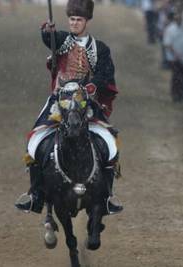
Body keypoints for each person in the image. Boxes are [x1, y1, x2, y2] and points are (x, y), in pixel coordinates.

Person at [15, 0, 123, 215]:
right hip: (59, 101)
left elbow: (105, 75)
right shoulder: (62, 40)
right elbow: (50, 39)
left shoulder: (99, 48)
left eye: (78, 19)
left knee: (110, 144)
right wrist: (47, 31)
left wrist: (92, 86)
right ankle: (36, 195)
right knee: (34, 142)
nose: (74, 23)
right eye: (72, 19)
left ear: (87, 21)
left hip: (87, 102)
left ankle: (108, 197)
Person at [163, 11, 183, 102]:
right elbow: (167, 44)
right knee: (176, 77)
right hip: (174, 58)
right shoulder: (170, 29)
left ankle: (182, 94)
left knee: (182, 77)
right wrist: (175, 54)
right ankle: (175, 95)